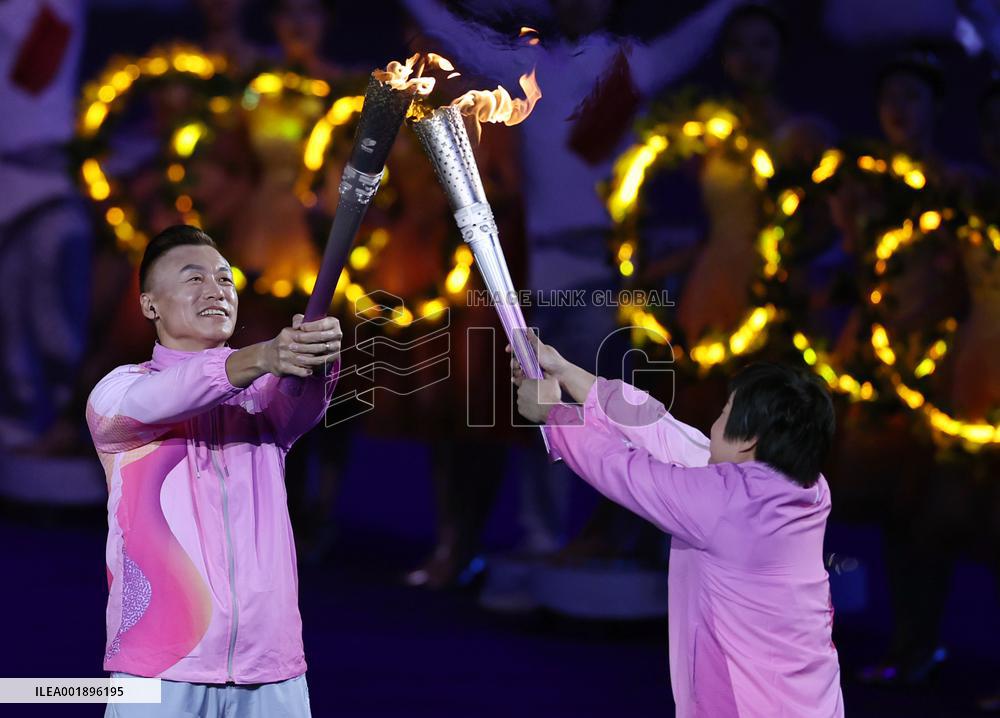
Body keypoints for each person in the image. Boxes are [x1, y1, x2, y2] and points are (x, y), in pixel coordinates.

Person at [512, 339, 844, 717]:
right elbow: (666, 433)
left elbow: (622, 469)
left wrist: (554, 414)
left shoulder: (723, 504)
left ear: (750, 439)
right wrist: (566, 371)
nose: (713, 425)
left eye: (724, 413)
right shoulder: (807, 488)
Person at [86, 225, 341, 717]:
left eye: (225, 278)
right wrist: (263, 355)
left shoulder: (261, 398)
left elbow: (300, 397)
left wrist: (317, 356)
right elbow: (167, 397)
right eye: (193, 277)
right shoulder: (117, 395)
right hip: (158, 670)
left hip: (272, 670)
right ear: (149, 305)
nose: (216, 289)